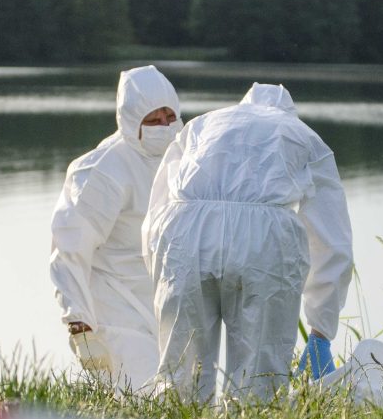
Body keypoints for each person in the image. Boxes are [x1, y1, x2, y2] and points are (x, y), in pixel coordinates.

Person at [143, 82, 353, 402]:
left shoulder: (202, 125)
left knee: (181, 376)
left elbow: (156, 211)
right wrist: (321, 328)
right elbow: (330, 238)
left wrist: (161, 274)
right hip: (263, 242)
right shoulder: (301, 134)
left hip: (185, 235)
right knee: (260, 381)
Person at [50, 64, 182, 390]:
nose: (164, 127)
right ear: (130, 121)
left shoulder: (182, 156)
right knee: (143, 398)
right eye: (152, 120)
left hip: (162, 303)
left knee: (183, 403)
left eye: (170, 117)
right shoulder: (104, 169)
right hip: (114, 306)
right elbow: (69, 247)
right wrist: (78, 323)